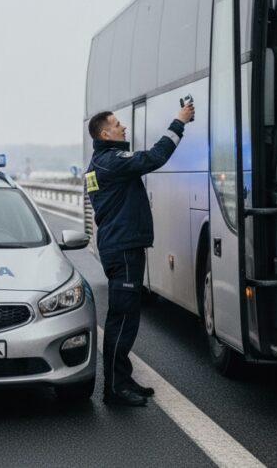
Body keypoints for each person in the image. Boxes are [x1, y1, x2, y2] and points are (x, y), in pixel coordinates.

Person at [85, 102, 194, 407]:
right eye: (118, 124)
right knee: (122, 319)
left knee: (128, 317)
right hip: (122, 249)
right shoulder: (112, 161)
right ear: (106, 133)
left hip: (122, 246)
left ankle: (122, 378)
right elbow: (155, 157)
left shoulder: (102, 162)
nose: (124, 127)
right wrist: (179, 121)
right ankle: (115, 389)